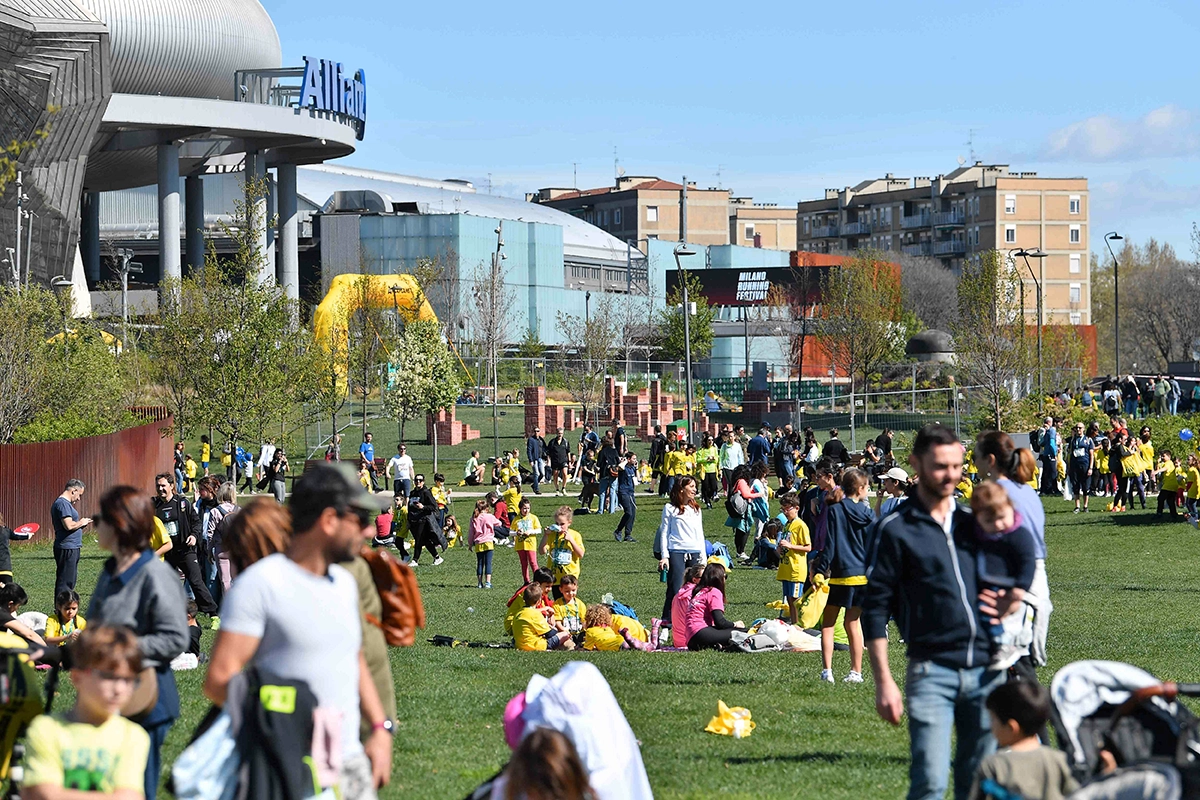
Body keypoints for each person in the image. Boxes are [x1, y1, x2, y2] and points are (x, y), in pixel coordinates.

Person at [204, 463, 394, 799]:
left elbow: (353, 658)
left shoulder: (344, 584)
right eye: (360, 521)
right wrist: (285, 717)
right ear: (329, 520)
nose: (368, 532)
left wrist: (380, 728)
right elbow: (219, 680)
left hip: (347, 762)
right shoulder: (261, 586)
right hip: (285, 767)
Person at [864, 423, 1024, 800]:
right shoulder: (894, 528)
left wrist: (1012, 597)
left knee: (976, 783)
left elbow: (1012, 565)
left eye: (956, 466)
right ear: (916, 463)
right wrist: (884, 681)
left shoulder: (974, 522)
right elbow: (874, 607)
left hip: (987, 672)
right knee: (931, 782)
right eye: (940, 466)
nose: (950, 475)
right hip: (931, 670)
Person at [88, 485, 189, 800]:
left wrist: (120, 650)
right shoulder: (110, 571)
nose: (94, 524)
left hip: (146, 701)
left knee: (135, 790)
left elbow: (175, 638)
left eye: (99, 518)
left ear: (119, 525)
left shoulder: (155, 576)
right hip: (110, 696)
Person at [20, 625, 151, 800]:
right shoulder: (47, 729)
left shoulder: (133, 736)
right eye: (109, 677)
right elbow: (44, 794)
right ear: (77, 677)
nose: (119, 689)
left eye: (128, 680)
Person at [966, 681, 1078, 800]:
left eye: (993, 720)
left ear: (1011, 727)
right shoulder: (1059, 760)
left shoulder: (993, 765)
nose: (990, 725)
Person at [815, 468, 874, 684]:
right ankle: (855, 673)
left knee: (828, 624)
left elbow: (829, 545)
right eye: (868, 487)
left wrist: (820, 571)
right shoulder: (868, 514)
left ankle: (827, 672)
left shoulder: (835, 510)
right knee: (853, 623)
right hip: (862, 577)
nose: (869, 490)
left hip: (840, 576)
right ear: (860, 489)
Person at [970, 482, 1037, 671]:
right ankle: (992, 645)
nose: (997, 525)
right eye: (989, 521)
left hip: (1006, 585)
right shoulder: (978, 535)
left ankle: (1002, 644)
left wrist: (1020, 587)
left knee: (989, 614)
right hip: (983, 584)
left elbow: (1028, 562)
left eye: (1001, 517)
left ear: (1011, 508)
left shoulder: (1018, 535)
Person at [153, 474, 219, 620]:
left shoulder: (181, 503)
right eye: (158, 486)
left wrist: (194, 536)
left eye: (163, 485)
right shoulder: (154, 505)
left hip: (185, 550)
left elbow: (196, 522)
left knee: (196, 581)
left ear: (171, 486)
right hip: (166, 552)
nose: (160, 488)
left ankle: (213, 613)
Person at [654, 477, 706, 626]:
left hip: (694, 552)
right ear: (682, 489)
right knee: (676, 589)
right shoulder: (670, 508)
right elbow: (664, 533)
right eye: (691, 486)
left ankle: (693, 622)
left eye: (695, 486)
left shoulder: (696, 509)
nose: (695, 490)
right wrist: (665, 556)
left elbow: (699, 533)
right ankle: (667, 623)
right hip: (676, 551)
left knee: (695, 590)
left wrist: (703, 557)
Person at [679, 563, 743, 651]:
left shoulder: (699, 591)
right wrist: (735, 624)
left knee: (729, 633)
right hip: (701, 633)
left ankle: (721, 647)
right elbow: (720, 622)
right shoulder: (714, 591)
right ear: (718, 578)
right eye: (725, 576)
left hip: (690, 639)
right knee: (744, 632)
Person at [775, 493, 811, 627]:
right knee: (789, 599)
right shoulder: (787, 525)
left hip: (796, 568)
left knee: (796, 599)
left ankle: (800, 625)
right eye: (782, 509)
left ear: (796, 508)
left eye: (787, 509)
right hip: (786, 567)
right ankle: (793, 623)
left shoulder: (801, 525)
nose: (785, 512)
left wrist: (791, 546)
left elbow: (808, 547)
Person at [51, 479, 91, 598]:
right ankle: (61, 609)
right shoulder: (62, 503)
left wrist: (80, 525)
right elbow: (68, 525)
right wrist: (81, 522)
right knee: (65, 582)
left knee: (69, 580)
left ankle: (64, 607)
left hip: (71, 546)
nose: (79, 499)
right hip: (67, 547)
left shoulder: (65, 504)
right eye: (79, 495)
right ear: (73, 491)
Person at [512, 583, 575, 651]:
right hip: (537, 646)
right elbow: (550, 634)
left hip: (519, 645)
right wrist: (557, 630)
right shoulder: (535, 614)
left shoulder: (518, 613)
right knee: (565, 634)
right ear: (539, 601)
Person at [543, 505, 585, 589]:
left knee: (569, 600)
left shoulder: (575, 535)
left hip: (570, 576)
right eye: (557, 523)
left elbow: (580, 554)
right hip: (555, 577)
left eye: (562, 524)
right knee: (558, 601)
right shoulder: (552, 535)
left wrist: (571, 540)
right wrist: (546, 536)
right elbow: (542, 551)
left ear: (569, 522)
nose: (559, 526)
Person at [407, 474, 443, 567]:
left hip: (423, 520)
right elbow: (409, 507)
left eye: (420, 480)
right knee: (425, 541)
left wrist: (423, 507)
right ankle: (437, 557)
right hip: (413, 520)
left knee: (418, 540)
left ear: (423, 482)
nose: (418, 482)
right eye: (416, 480)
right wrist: (409, 519)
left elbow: (433, 506)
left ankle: (415, 560)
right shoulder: (412, 493)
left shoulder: (426, 492)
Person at [468, 497, 500, 589]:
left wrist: (470, 544)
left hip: (478, 542)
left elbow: (471, 532)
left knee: (480, 563)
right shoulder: (489, 516)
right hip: (488, 542)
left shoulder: (474, 518)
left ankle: (479, 582)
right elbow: (499, 523)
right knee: (488, 563)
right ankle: (488, 582)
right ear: (486, 508)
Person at [1065, 422, 1095, 513]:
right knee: (1076, 486)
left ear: (1083, 429)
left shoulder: (1088, 440)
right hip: (1075, 465)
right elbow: (1070, 453)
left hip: (1085, 465)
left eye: (1080, 428)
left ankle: (1085, 506)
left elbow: (1091, 455)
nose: (1078, 430)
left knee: (1086, 486)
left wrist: (1090, 468)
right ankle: (1077, 506)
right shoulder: (1073, 440)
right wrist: (1068, 466)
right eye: (1077, 428)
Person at [512, 497, 542, 584]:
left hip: (530, 544)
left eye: (528, 508)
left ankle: (537, 580)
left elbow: (539, 530)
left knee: (533, 562)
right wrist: (516, 533)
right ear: (520, 508)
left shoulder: (533, 518)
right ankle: (526, 581)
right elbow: (511, 531)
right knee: (524, 563)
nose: (526, 510)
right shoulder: (516, 519)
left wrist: (530, 532)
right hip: (520, 544)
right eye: (524, 508)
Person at [611, 452, 639, 543]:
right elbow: (619, 467)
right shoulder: (623, 468)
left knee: (633, 514)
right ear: (628, 459)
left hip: (631, 493)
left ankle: (628, 535)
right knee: (628, 513)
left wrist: (637, 468)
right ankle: (618, 530)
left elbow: (638, 479)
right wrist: (625, 461)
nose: (635, 460)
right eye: (634, 459)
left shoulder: (632, 468)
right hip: (623, 492)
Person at [1035, 417, 1058, 497]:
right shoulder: (1051, 431)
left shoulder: (1048, 431)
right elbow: (1051, 443)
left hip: (1046, 454)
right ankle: (1051, 489)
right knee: (1052, 472)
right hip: (1049, 454)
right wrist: (1055, 453)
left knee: (1046, 472)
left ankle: (1045, 490)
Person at [719, 429, 745, 498]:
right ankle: (730, 498)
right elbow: (721, 457)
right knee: (730, 483)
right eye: (729, 436)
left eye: (732, 436)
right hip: (727, 467)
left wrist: (741, 466)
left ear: (735, 437)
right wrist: (720, 467)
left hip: (736, 467)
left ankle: (736, 497)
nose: (731, 438)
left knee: (736, 483)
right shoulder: (724, 446)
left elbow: (740, 457)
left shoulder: (737, 446)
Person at [596, 434, 619, 513]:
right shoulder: (614, 451)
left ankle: (600, 510)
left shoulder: (601, 452)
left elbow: (598, 464)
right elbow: (618, 461)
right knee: (613, 491)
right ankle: (612, 510)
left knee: (602, 492)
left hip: (604, 473)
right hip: (613, 473)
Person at [546, 428, 571, 496]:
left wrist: (569, 462)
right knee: (555, 475)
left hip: (563, 460)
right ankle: (557, 489)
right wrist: (549, 461)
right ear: (556, 433)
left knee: (565, 474)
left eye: (561, 433)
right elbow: (548, 452)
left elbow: (568, 452)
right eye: (559, 433)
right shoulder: (552, 442)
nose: (560, 435)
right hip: (555, 461)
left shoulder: (565, 442)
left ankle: (563, 488)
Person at [526, 427, 545, 495]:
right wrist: (531, 460)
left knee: (542, 474)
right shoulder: (531, 440)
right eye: (535, 431)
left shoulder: (541, 440)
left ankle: (534, 485)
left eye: (538, 431)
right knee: (536, 474)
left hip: (540, 458)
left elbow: (544, 448)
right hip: (534, 459)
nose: (536, 432)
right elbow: (529, 450)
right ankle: (536, 489)